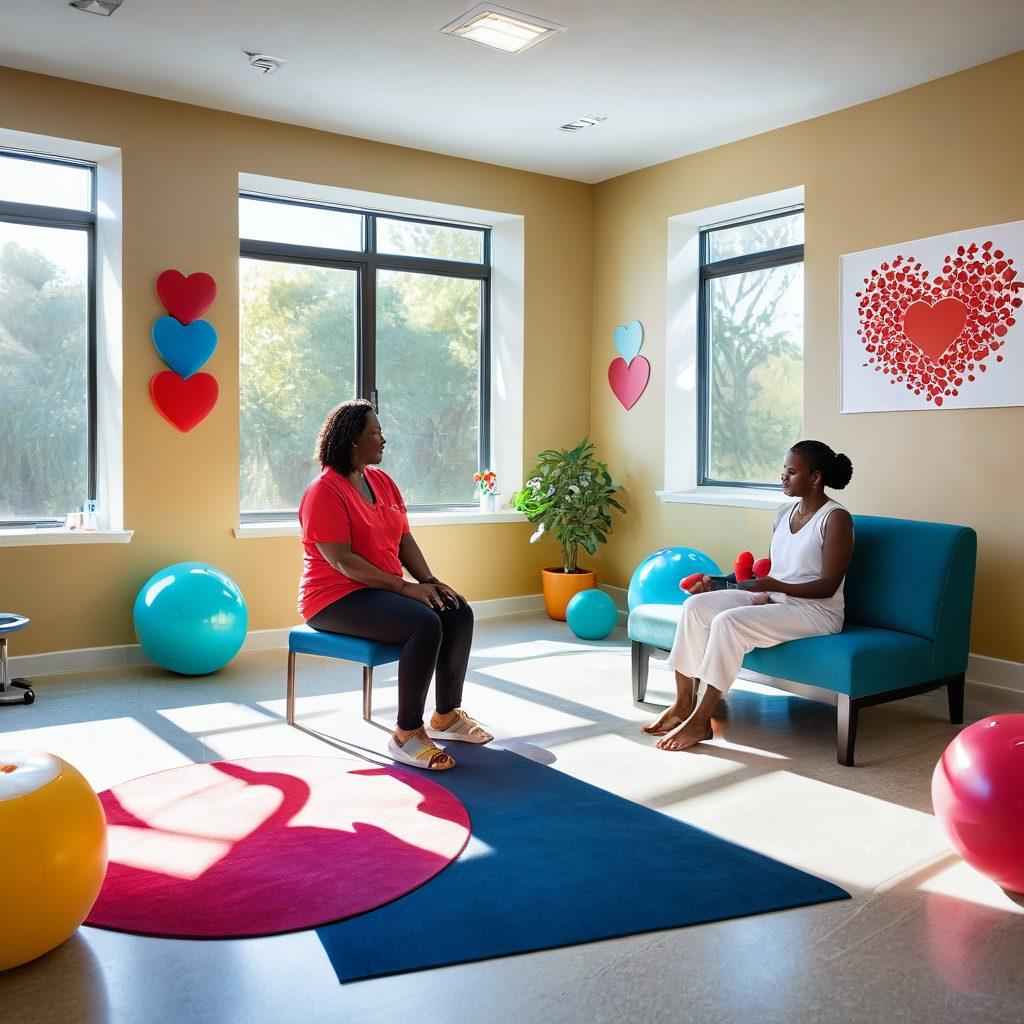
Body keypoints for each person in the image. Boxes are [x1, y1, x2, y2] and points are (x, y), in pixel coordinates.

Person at [297, 399, 492, 771]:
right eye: (374, 433)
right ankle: (407, 733)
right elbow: (342, 560)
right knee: (424, 623)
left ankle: (446, 715)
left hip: (379, 589)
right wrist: (404, 589)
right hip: (333, 598)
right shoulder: (324, 491)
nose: (383, 440)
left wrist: (429, 581)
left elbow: (404, 540)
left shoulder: (383, 482)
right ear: (352, 440)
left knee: (455, 609)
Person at [644, 440, 855, 752]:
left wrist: (775, 587)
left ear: (815, 478)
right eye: (784, 469)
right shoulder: (783, 513)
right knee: (695, 606)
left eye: (792, 471)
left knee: (728, 623)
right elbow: (777, 571)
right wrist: (720, 583)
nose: (783, 476)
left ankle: (702, 720)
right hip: (778, 599)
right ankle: (683, 704)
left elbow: (828, 585)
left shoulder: (835, 518)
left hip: (816, 612)